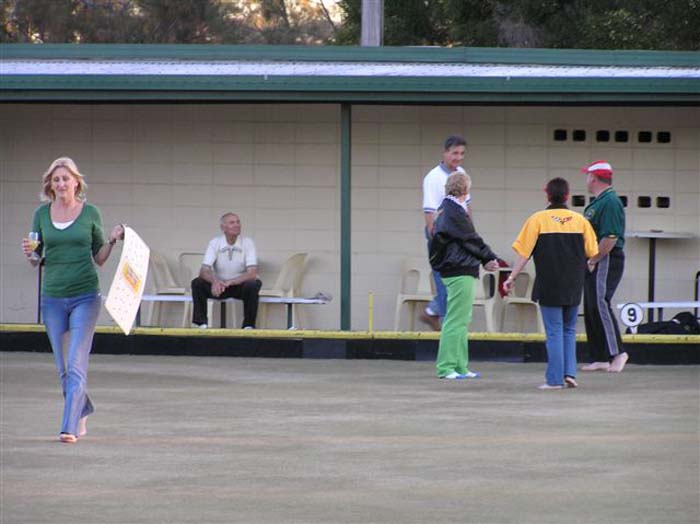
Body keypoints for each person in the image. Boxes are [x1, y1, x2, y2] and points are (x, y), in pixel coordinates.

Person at [21, 157, 124, 444]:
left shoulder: (90, 212)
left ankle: (69, 427)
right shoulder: (41, 215)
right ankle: (84, 406)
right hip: (53, 297)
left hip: (85, 296)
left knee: (76, 363)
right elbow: (36, 258)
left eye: (66, 178)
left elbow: (99, 258)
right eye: (56, 179)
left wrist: (113, 240)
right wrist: (29, 253)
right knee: (63, 367)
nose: (61, 183)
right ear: (50, 185)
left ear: (76, 182)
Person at [503, 178, 599, 390]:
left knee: (554, 331)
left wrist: (511, 278)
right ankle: (569, 374)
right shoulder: (580, 220)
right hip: (574, 284)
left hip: (549, 283)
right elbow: (593, 254)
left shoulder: (536, 219)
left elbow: (524, 255)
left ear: (547, 194)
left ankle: (555, 380)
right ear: (567, 195)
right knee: (569, 330)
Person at [429, 172, 499, 379]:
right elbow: (471, 238)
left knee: (461, 318)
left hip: (455, 269)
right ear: (465, 190)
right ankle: (447, 366)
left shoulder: (445, 210)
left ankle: (460, 366)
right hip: (459, 269)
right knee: (456, 320)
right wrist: (489, 257)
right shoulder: (455, 212)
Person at [580, 161, 629, 373]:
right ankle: (600, 356)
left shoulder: (610, 201)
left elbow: (610, 237)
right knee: (591, 305)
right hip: (596, 258)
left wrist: (594, 259)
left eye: (588, 176)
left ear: (593, 178)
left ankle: (618, 352)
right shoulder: (599, 202)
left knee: (600, 303)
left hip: (605, 258)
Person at [421, 134, 471, 331]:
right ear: (445, 153)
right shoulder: (434, 178)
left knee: (454, 282)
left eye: (461, 153)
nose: (458, 157)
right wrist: (436, 239)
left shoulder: (461, 173)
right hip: (442, 236)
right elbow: (429, 211)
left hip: (458, 236)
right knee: (445, 281)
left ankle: (433, 312)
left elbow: (466, 205)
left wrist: (470, 232)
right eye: (454, 153)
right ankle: (444, 319)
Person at [191, 212, 262, 329]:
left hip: (238, 286)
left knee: (253, 285)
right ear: (223, 227)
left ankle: (248, 325)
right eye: (232, 222)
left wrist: (231, 282)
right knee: (197, 283)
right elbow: (203, 271)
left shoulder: (248, 243)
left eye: (238, 222)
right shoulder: (215, 243)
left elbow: (252, 273)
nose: (237, 225)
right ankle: (201, 324)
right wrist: (215, 281)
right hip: (219, 287)